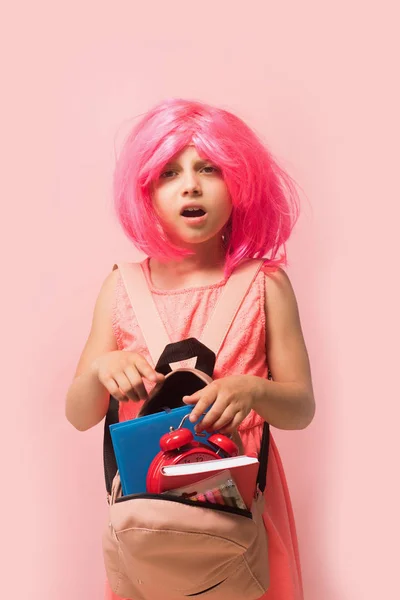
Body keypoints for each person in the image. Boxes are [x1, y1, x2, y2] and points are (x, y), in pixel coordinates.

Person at [65, 98, 315, 600]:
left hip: (240, 510)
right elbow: (78, 413)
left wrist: (253, 391)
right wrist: (100, 369)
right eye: (169, 173)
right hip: (149, 518)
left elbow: (301, 408)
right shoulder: (121, 288)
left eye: (209, 168)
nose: (191, 184)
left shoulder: (265, 286)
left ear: (241, 183)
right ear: (146, 193)